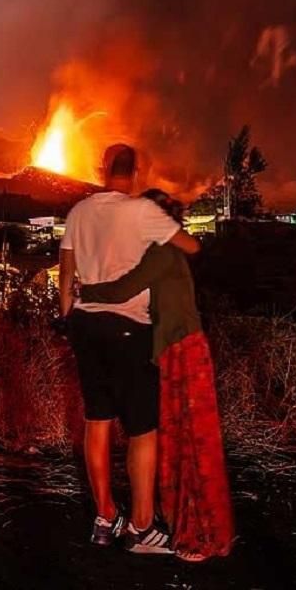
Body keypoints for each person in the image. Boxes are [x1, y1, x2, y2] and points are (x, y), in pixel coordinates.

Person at [59, 144, 201, 554]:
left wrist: (69, 318)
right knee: (142, 429)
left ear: (102, 168)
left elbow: (66, 277)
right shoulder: (142, 211)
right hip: (128, 327)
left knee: (97, 419)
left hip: (85, 325)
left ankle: (105, 516)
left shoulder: (78, 212)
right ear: (136, 171)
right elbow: (191, 247)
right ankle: (141, 527)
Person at [79, 190, 234, 561]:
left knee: (191, 439)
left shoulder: (161, 252)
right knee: (178, 437)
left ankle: (198, 529)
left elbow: (124, 289)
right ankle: (174, 522)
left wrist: (84, 292)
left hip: (183, 350)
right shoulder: (160, 250)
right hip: (176, 349)